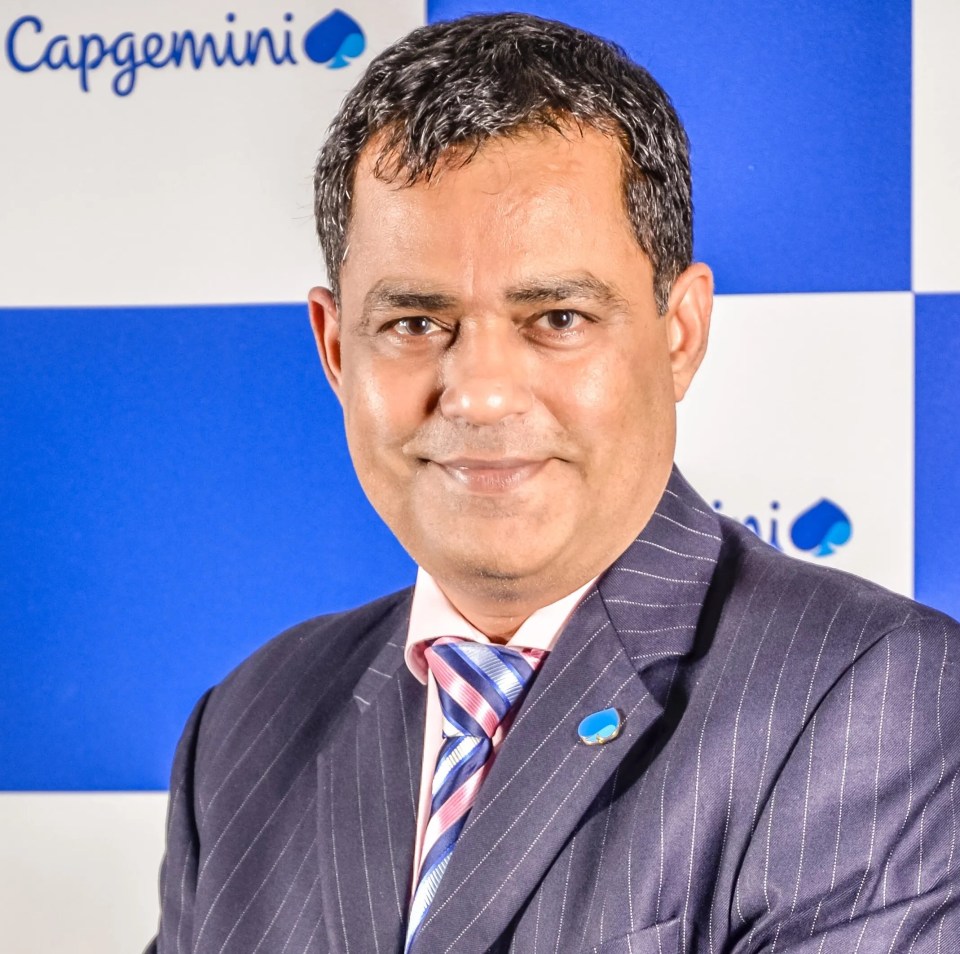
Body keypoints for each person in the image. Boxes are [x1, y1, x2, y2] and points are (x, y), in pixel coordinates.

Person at [147, 13, 960, 954]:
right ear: (336, 349)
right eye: (415, 323)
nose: (482, 394)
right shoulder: (247, 725)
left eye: (558, 317)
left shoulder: (877, 701)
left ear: (680, 333)